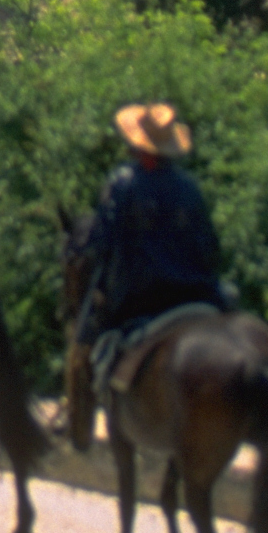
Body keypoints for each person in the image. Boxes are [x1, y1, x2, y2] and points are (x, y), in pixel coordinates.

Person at [74, 102, 228, 397]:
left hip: (141, 297)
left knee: (97, 335)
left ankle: (95, 386)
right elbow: (211, 246)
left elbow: (103, 242)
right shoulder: (190, 187)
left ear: (136, 144)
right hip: (198, 292)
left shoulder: (122, 183)